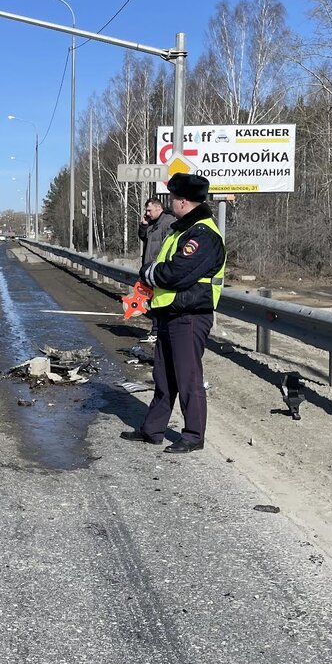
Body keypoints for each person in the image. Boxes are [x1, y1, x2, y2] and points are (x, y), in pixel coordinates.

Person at [123, 172, 225, 454]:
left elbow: (176, 273)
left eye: (172, 199)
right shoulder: (182, 230)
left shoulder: (203, 234)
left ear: (183, 201)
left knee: (188, 376)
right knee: (164, 375)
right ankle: (153, 430)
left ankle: (193, 436)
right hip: (171, 312)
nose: (170, 203)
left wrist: (148, 273)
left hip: (191, 314)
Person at [136, 195, 177, 344]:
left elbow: (169, 245)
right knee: (153, 301)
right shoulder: (153, 223)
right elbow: (144, 238)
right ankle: (156, 331)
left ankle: (157, 332)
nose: (147, 213)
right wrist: (144, 225)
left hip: (159, 268)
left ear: (158, 208)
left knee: (158, 302)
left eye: (149, 210)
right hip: (150, 267)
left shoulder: (168, 222)